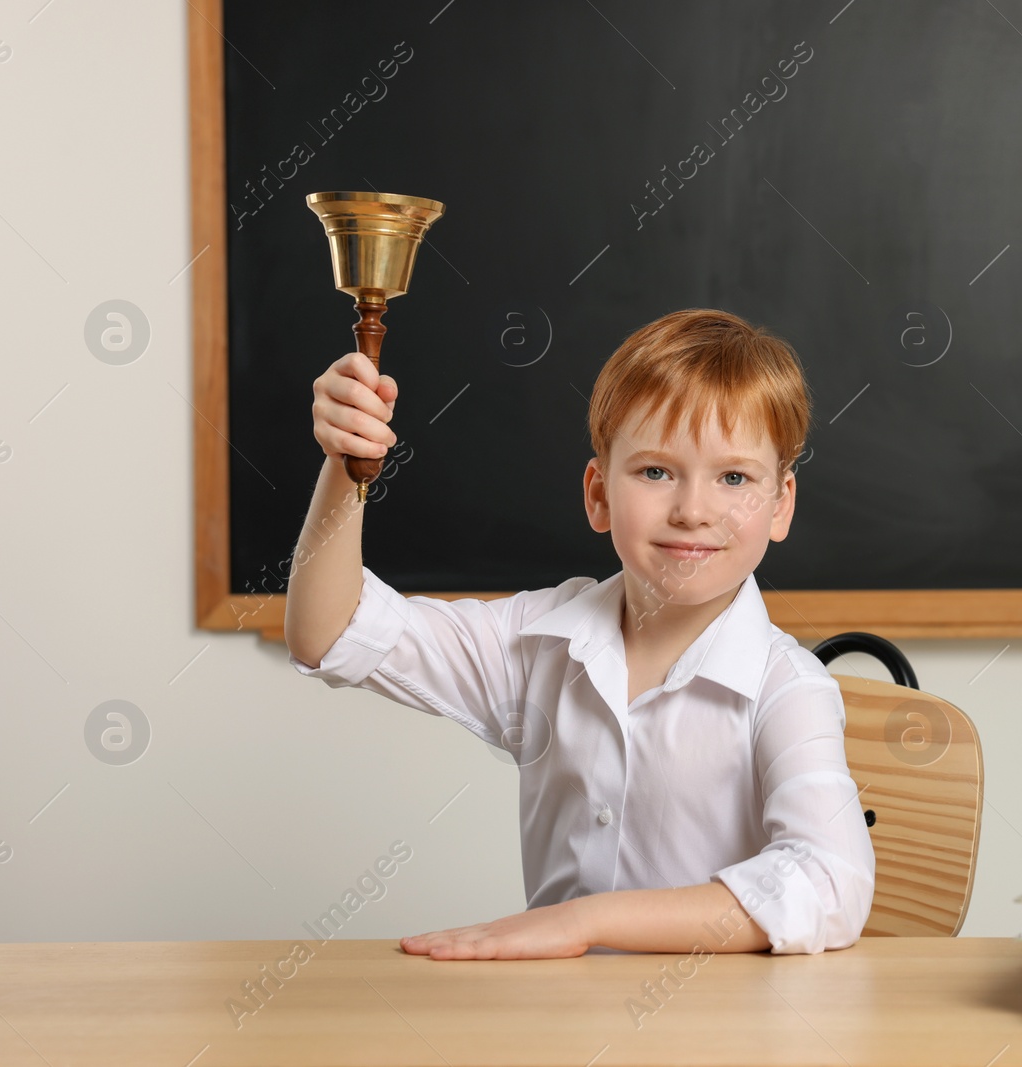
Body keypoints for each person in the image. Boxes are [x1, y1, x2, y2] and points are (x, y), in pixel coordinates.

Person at [285, 308, 875, 960]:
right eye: (655, 471)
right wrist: (347, 464)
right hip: (560, 1030)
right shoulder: (539, 643)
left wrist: (585, 922)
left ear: (781, 502)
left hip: (721, 1037)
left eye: (733, 477)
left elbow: (829, 883)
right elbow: (331, 630)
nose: (693, 510)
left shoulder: (786, 688)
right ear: (597, 494)